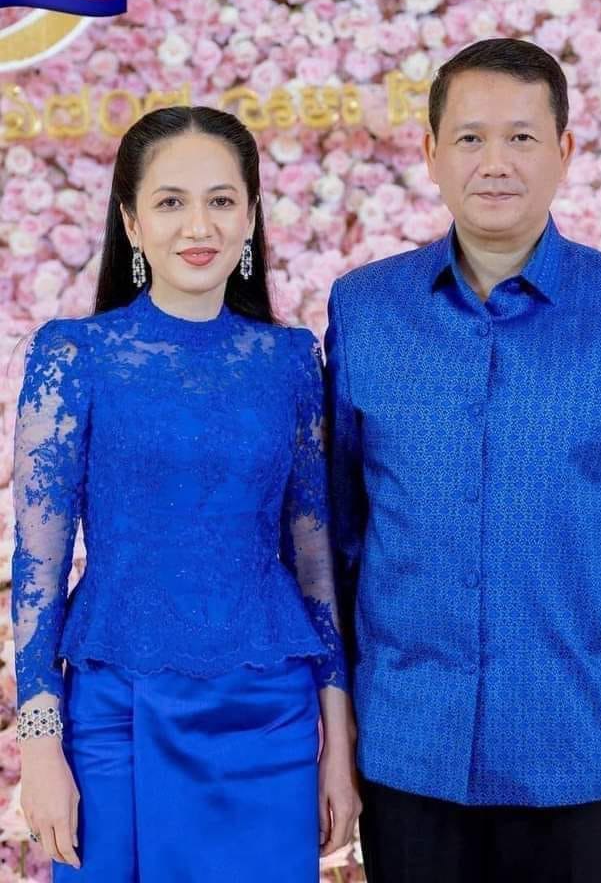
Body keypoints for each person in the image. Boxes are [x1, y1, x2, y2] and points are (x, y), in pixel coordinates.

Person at [325, 38, 601, 883]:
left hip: (581, 751)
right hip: (409, 747)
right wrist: (338, 716)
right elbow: (341, 534)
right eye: (470, 138)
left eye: (522, 137)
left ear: (564, 151)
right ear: (430, 153)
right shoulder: (365, 311)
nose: (495, 162)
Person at [11, 105, 361, 881]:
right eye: (171, 201)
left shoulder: (291, 360)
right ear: (131, 223)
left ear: (251, 216)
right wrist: (38, 748)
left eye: (221, 200)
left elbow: (315, 567)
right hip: (115, 718)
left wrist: (338, 747)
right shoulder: (73, 356)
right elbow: (38, 570)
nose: (198, 226)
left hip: (271, 721)